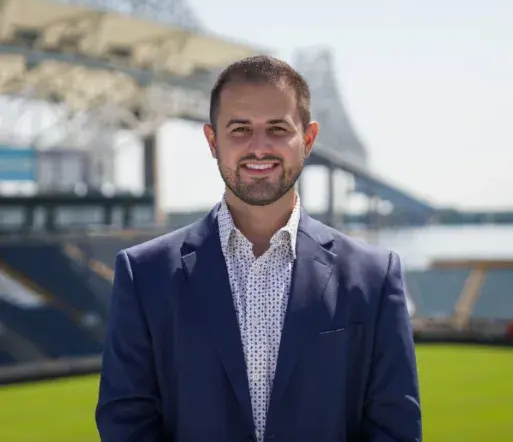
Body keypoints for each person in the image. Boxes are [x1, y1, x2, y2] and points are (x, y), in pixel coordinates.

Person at [95, 55, 422, 442]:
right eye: (240, 129)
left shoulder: (374, 275)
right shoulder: (144, 273)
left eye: (278, 129)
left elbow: (394, 428)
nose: (259, 147)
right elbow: (125, 422)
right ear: (213, 141)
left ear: (309, 139)